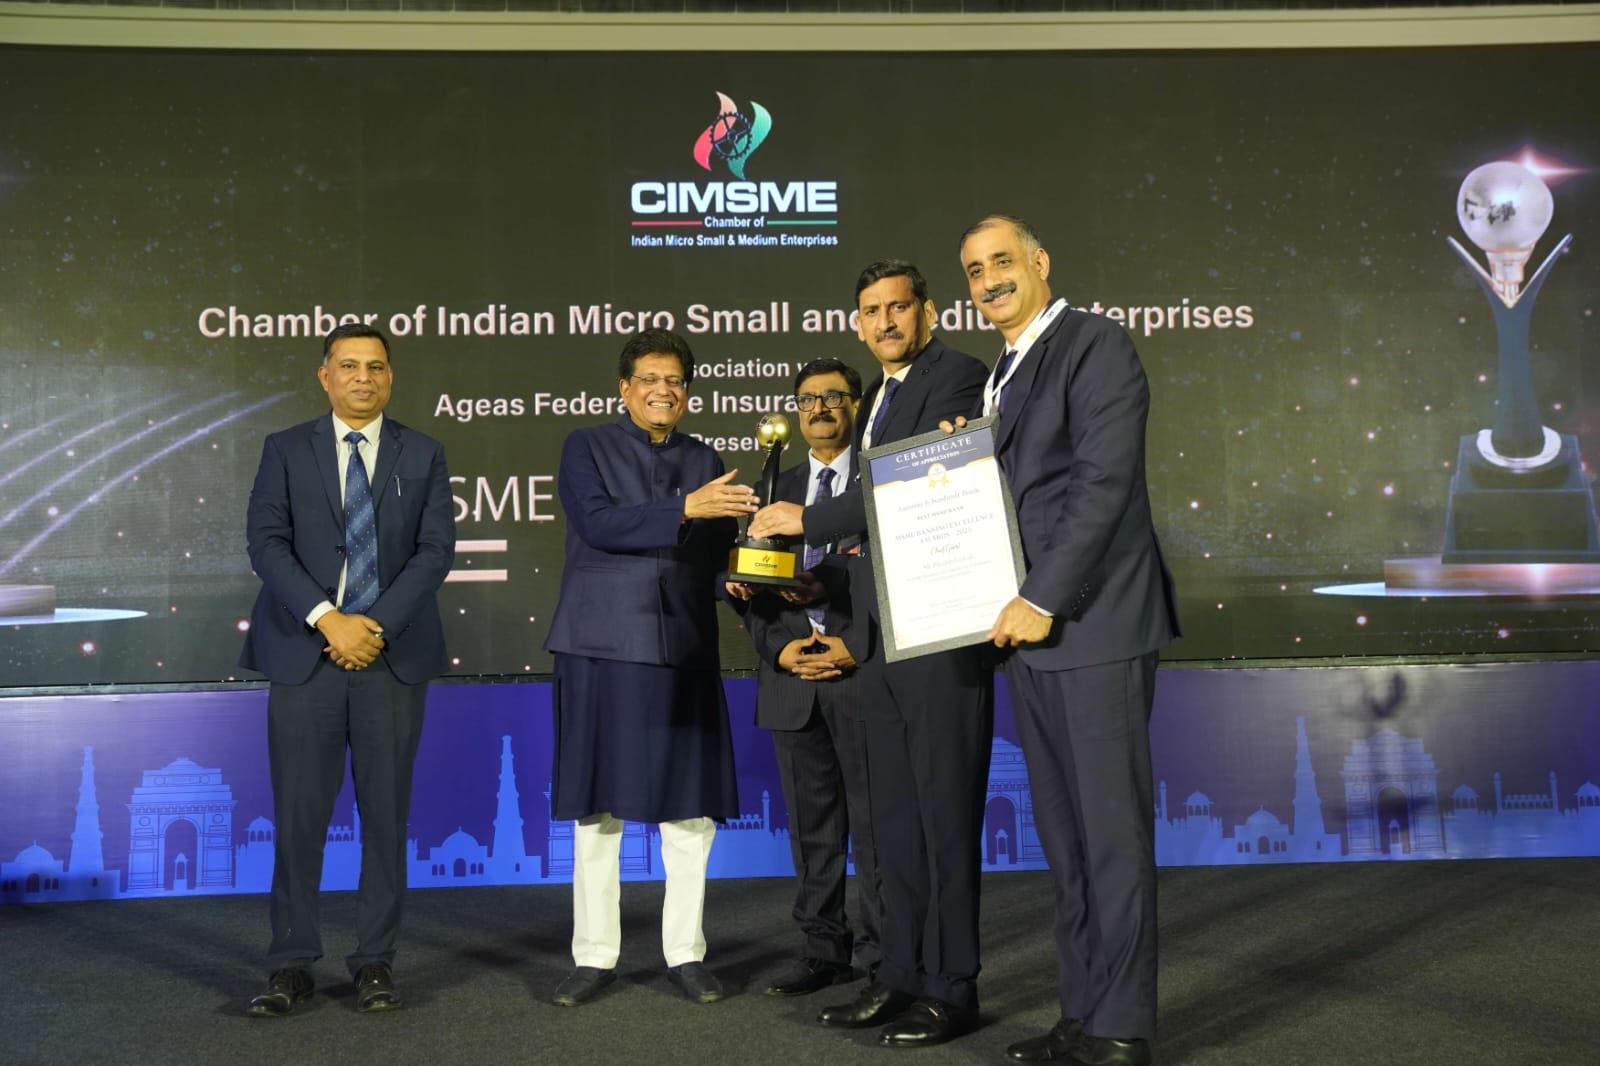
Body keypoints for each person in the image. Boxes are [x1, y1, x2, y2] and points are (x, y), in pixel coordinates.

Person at [749, 260, 992, 1048]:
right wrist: (813, 578)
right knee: (894, 826)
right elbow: (881, 534)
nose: (886, 321)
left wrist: (805, 521)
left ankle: (951, 989)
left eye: (898, 307)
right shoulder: (883, 397)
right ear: (858, 323)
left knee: (941, 823)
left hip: (939, 636)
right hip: (886, 643)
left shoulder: (956, 375)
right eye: (871, 310)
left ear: (927, 311)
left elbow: (921, 483)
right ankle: (900, 976)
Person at [957, 215, 1180, 1066]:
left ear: (1041, 262)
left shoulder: (1095, 344)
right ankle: (1083, 1013)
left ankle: (1122, 1027)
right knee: (1067, 839)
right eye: (974, 270)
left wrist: (1042, 596)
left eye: (1002, 261)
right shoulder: (1005, 371)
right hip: (1030, 633)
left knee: (1110, 835)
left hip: (1090, 621)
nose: (989, 280)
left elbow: (1102, 483)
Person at [240, 322, 456, 1017]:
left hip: (390, 657)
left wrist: (373, 625)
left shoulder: (423, 452)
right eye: (350, 365)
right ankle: (291, 963)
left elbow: (434, 551)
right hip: (305, 656)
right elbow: (266, 544)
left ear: (391, 376)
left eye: (377, 366)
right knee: (299, 818)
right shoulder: (284, 449)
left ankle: (374, 962)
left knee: (386, 818)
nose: (365, 377)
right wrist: (328, 619)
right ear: (325, 375)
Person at [543, 328, 758, 1008]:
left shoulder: (705, 459)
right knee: (598, 808)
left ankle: (685, 954)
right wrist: (686, 508)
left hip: (682, 648)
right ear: (625, 388)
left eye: (675, 381)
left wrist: (741, 580)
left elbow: (713, 559)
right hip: (601, 644)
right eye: (649, 379)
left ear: (686, 392)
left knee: (689, 810)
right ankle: (594, 956)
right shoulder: (585, 445)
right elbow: (599, 524)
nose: (663, 390)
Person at [727, 357, 881, 998]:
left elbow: (900, 572)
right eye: (808, 399)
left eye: (834, 396)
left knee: (875, 827)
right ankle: (823, 950)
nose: (820, 408)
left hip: (861, 672)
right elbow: (748, 586)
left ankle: (882, 956)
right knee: (812, 829)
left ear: (856, 406)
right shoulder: (772, 487)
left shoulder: (878, 482)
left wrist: (855, 644)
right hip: (792, 678)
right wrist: (782, 650)